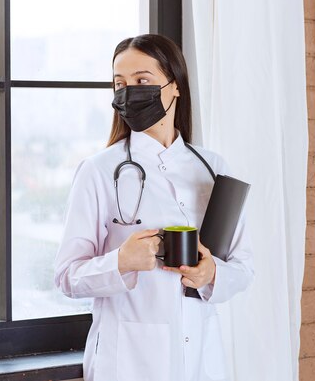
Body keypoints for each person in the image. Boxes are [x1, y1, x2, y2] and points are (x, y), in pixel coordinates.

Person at [54, 34, 254, 381]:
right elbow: (67, 276)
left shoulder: (212, 167)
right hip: (128, 362)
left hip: (202, 359)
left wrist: (211, 275)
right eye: (120, 84)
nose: (129, 92)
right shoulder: (99, 171)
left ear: (174, 86)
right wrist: (121, 262)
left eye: (142, 81)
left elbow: (244, 266)